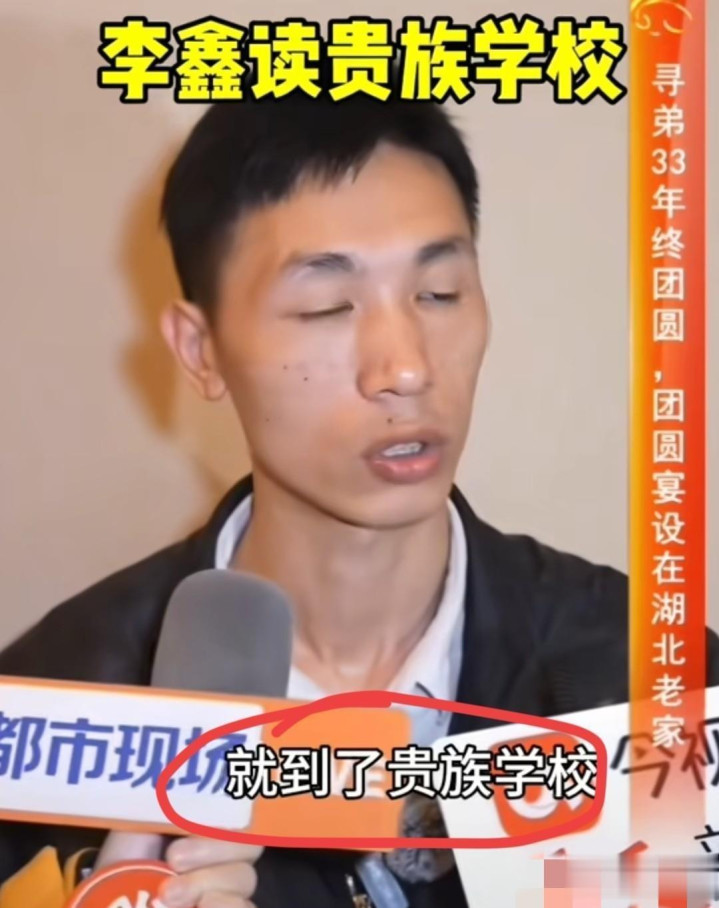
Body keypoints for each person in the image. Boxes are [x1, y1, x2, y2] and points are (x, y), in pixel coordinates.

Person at [0, 93, 716, 908]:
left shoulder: (646, 678)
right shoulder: (53, 712)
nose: (405, 368)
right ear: (201, 352)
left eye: (438, 292)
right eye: (327, 307)